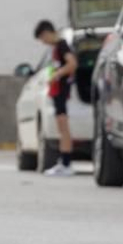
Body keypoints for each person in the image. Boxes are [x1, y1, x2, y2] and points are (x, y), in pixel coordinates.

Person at [34, 19, 79, 176]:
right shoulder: (56, 48)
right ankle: (63, 161)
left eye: (42, 38)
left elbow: (72, 64)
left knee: (64, 127)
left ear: (47, 33)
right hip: (56, 91)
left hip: (61, 90)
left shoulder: (62, 45)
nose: (43, 42)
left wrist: (57, 74)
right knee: (61, 127)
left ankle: (67, 163)